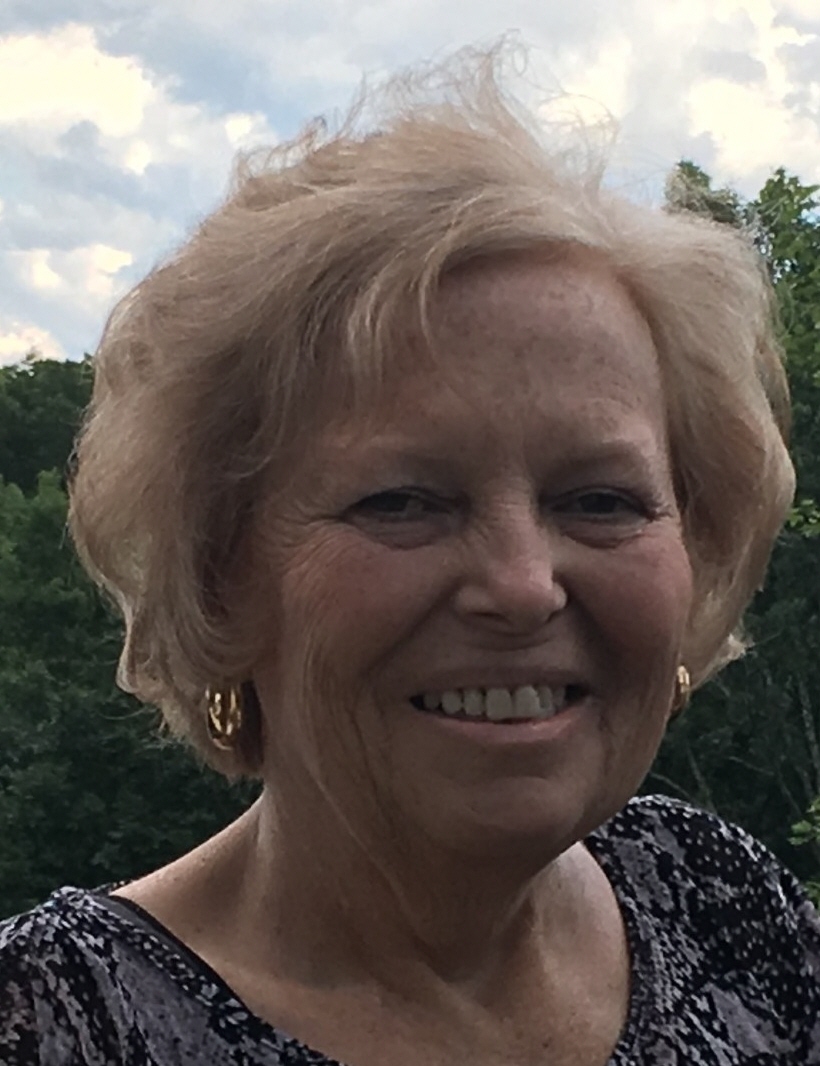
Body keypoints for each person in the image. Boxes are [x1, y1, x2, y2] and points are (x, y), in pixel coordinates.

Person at [1, 46, 818, 1066]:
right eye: (403, 502)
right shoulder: (60, 1025)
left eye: (600, 501)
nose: (522, 586)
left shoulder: (719, 903)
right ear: (222, 578)